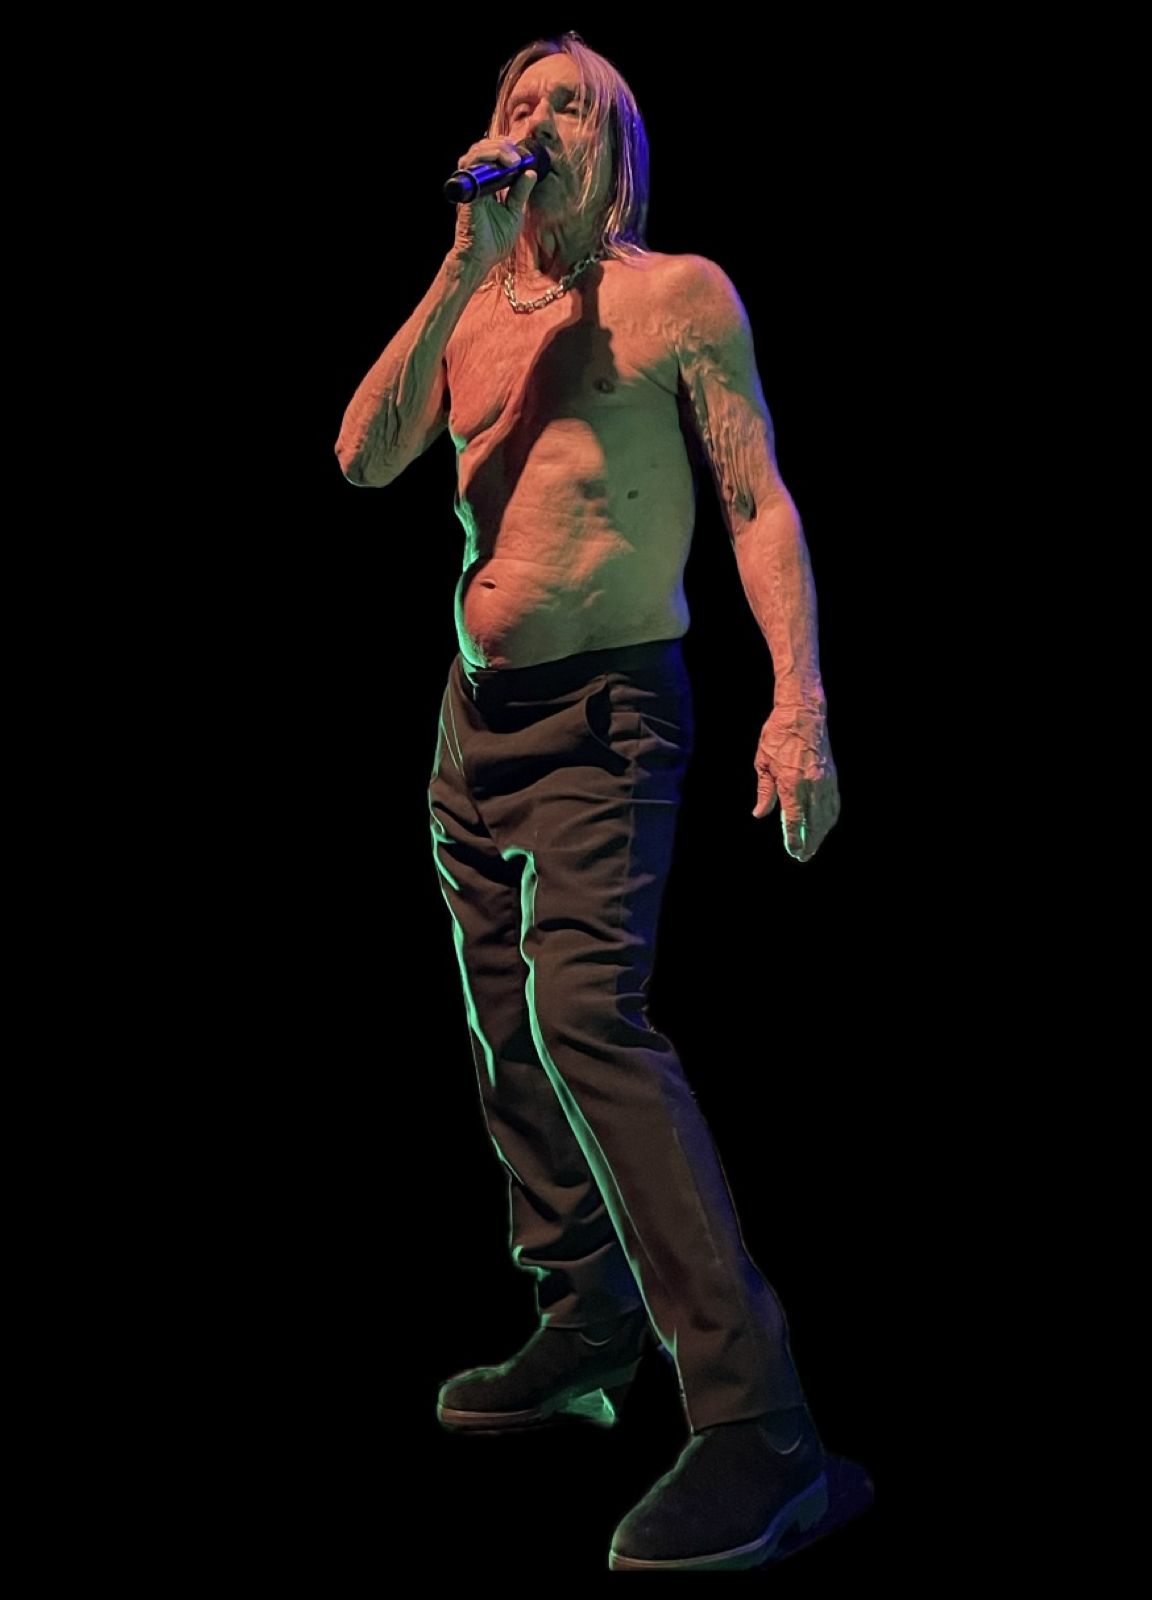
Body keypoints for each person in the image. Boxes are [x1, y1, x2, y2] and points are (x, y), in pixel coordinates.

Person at [335, 32, 842, 1573]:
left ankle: (760, 1426)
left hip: (609, 713)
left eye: (572, 104)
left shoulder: (675, 296)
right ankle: (585, 1319)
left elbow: (754, 498)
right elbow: (363, 455)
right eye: (520, 103)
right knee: (505, 1027)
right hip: (474, 719)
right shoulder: (473, 305)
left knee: (587, 1021)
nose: (541, 120)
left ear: (615, 148)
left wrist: (799, 705)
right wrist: (458, 265)